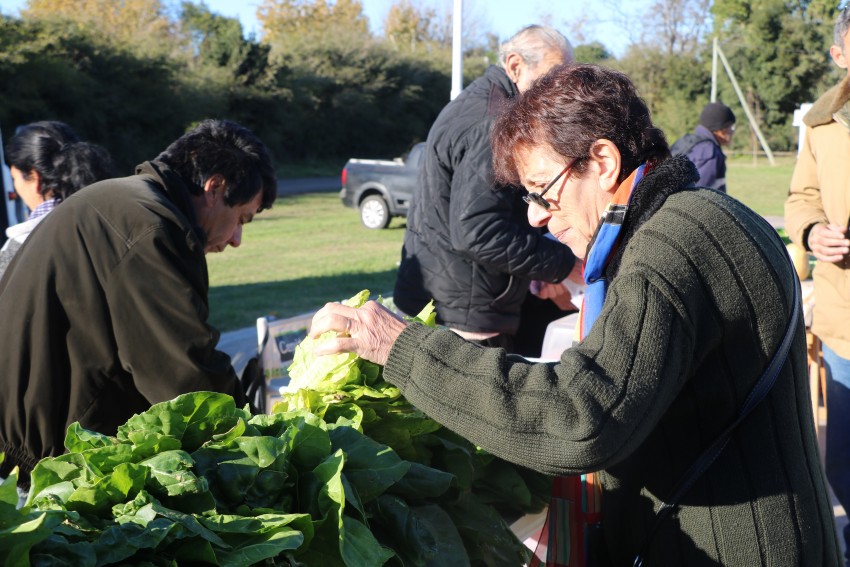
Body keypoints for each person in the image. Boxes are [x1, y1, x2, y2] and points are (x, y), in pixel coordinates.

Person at [310, 64, 840, 565]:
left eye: (542, 192)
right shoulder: (702, 214)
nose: (536, 217)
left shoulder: (670, 244)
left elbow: (579, 418)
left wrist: (401, 347)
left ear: (603, 162)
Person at [0, 119, 277, 490]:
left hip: (34, 448)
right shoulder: (148, 225)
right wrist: (265, 443)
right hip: (39, 465)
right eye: (241, 219)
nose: (237, 239)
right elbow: (185, 375)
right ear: (215, 187)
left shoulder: (128, 202)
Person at [393, 25, 578, 355]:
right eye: (551, 79)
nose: (557, 91)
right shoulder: (493, 121)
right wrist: (564, 264)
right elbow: (478, 231)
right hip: (465, 315)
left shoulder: (489, 106)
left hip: (454, 297)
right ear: (515, 65)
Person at [785, 6, 850, 563]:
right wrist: (811, 232)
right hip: (843, 323)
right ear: (840, 55)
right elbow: (801, 197)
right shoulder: (821, 123)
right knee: (844, 463)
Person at [0, 120, 115, 279]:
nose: (15, 188)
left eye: (14, 179)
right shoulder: (111, 225)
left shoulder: (19, 249)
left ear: (35, 177)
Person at [670, 101, 736, 192]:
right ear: (720, 129)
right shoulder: (711, 153)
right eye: (731, 127)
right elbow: (700, 197)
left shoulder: (688, 141)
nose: (733, 132)